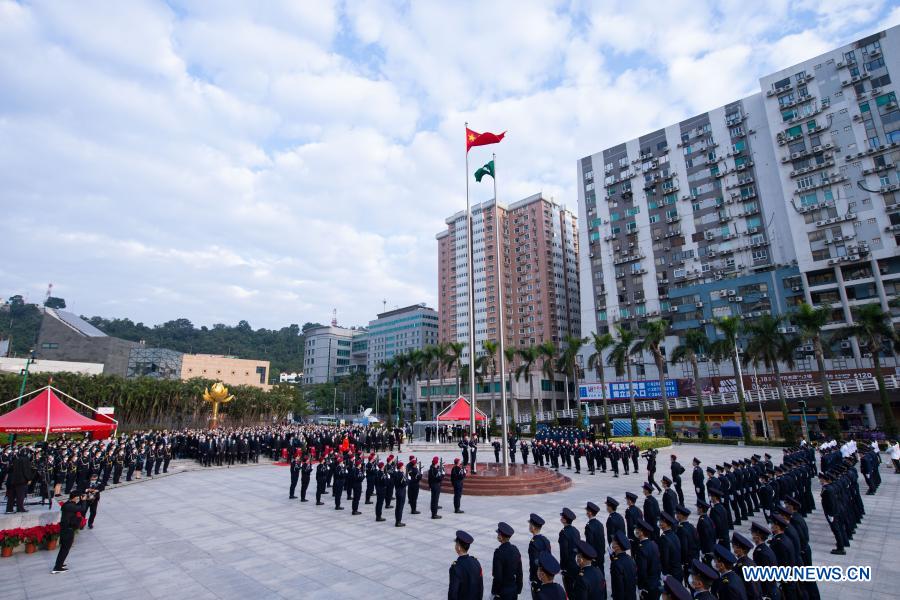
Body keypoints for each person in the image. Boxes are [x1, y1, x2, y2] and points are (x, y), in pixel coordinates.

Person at [52, 490, 89, 574]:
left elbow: (78, 507)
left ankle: (59, 564)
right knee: (65, 549)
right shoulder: (69, 506)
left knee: (64, 549)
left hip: (67, 529)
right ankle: (57, 567)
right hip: (67, 531)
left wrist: (82, 501)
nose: (78, 498)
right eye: (78, 497)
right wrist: (83, 501)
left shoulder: (69, 504)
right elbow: (82, 509)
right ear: (75, 497)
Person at [492, 522, 523, 600]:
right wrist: (518, 588)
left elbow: (498, 576)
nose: (497, 535)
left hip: (502, 592)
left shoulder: (498, 553)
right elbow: (519, 572)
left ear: (501, 537)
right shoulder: (515, 549)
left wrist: (495, 592)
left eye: (498, 534)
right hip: (513, 590)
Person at [448, 530, 483, 600]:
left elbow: (453, 593)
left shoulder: (455, 568)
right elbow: (480, 587)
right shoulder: (476, 562)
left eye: (456, 544)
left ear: (459, 547)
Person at [634, 519, 662, 600]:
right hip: (655, 582)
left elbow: (642, 570)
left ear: (642, 532)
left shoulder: (641, 549)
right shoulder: (653, 544)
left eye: (637, 530)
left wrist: (641, 587)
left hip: (647, 586)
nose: (636, 531)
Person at [730, 533, 762, 600]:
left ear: (741, 550)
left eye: (734, 547)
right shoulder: (749, 561)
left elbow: (752, 589)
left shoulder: (743, 566)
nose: (733, 549)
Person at [558, 507, 581, 597]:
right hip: (576, 564)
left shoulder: (563, 533)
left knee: (570, 591)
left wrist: (563, 568)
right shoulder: (576, 531)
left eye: (562, 517)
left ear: (564, 519)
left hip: (568, 566)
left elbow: (564, 552)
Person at [527, 513, 552, 597]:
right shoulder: (545, 540)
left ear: (533, 527)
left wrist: (533, 579)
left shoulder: (533, 543)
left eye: (530, 524)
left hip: (537, 578)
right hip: (547, 576)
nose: (529, 526)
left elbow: (534, 563)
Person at [609, 530, 637, 600]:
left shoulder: (616, 563)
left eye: (613, 542)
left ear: (617, 546)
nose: (612, 543)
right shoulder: (630, 559)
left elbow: (618, 587)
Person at [5, 449, 34, 514]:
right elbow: (26, 471)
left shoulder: (15, 459)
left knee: (11, 495)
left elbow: (10, 469)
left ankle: (9, 509)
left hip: (13, 480)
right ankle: (20, 508)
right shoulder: (25, 460)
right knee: (20, 495)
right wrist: (29, 478)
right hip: (21, 480)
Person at [584, 501, 606, 569]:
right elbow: (602, 540)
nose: (586, 512)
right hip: (600, 554)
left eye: (587, 511)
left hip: (593, 555)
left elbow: (589, 542)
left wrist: (589, 556)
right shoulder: (599, 524)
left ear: (590, 513)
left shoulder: (589, 526)